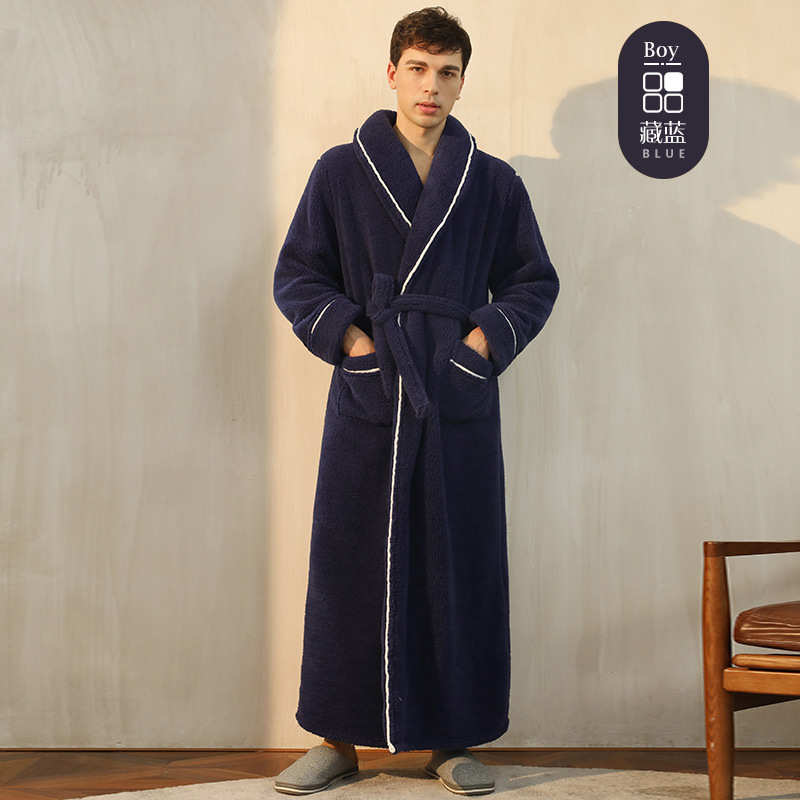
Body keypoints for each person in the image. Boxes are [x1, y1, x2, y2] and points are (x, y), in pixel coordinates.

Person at [272, 6, 558, 796]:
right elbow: (298, 274)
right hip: (372, 393)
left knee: (457, 562)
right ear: (392, 72)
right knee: (349, 562)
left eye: (448, 72)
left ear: (463, 83)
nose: (432, 86)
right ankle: (337, 738)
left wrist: (478, 350)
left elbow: (533, 281)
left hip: (455, 398)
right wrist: (354, 345)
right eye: (419, 69)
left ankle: (450, 740)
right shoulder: (340, 171)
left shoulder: (493, 183)